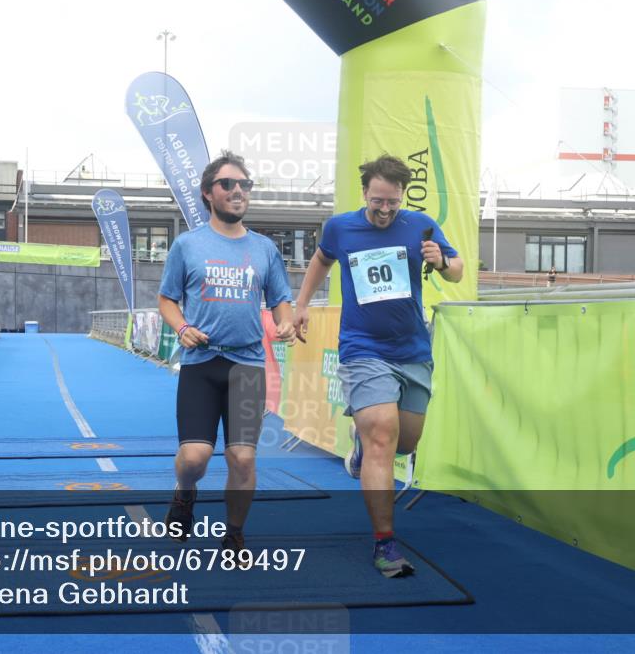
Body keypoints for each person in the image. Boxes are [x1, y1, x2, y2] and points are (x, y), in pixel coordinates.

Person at [293, 154, 463, 578]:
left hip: (413, 352)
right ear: (364, 193)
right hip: (362, 348)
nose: (385, 210)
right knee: (384, 437)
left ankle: (360, 445)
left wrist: (441, 261)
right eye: (377, 201)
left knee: (404, 443)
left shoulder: (420, 225)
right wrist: (301, 306)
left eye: (393, 202)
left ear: (402, 196)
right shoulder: (341, 227)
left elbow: (458, 269)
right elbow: (321, 260)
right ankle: (385, 544)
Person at [158, 151, 295, 553]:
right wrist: (182, 327)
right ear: (208, 193)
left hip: (248, 365)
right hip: (201, 363)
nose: (238, 191)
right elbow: (166, 300)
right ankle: (185, 493)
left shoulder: (265, 249)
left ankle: (233, 534)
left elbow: (280, 299)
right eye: (228, 184)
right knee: (196, 457)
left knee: (243, 460)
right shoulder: (188, 245)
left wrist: (285, 322)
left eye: (244, 184)